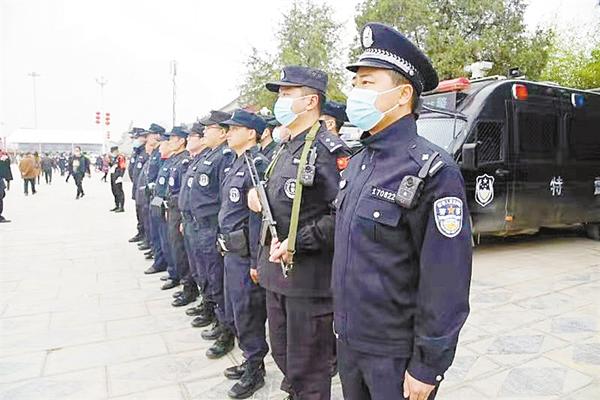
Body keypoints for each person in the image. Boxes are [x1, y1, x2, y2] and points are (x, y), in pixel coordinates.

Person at [332, 23, 473, 400]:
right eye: (355, 83)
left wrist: (428, 366)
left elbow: (446, 281)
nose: (355, 92)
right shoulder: (359, 162)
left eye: (367, 82)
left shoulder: (433, 171)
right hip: (349, 343)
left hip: (394, 355)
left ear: (403, 94)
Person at [250, 65, 350, 400]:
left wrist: (299, 241)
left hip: (308, 282)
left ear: (310, 101)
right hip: (276, 277)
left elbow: (342, 216)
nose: (279, 100)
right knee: (285, 359)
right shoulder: (285, 147)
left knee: (309, 371)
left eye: (286, 93)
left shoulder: (329, 150)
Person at [218, 109, 270, 399]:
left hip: (245, 253)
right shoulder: (237, 163)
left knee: (248, 312)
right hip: (231, 251)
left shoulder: (256, 165)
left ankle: (255, 367)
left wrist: (255, 261)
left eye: (235, 129)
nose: (229, 133)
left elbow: (258, 218)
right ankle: (249, 358)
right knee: (237, 310)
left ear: (251, 133)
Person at [184, 111, 235, 361]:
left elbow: (225, 198)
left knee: (217, 279)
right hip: (200, 225)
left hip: (213, 227)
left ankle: (226, 330)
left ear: (223, 132)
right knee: (206, 275)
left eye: (209, 128)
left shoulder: (224, 157)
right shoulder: (208, 155)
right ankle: (216, 316)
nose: (204, 132)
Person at [173, 122, 209, 306]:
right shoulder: (196, 160)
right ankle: (204, 302)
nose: (188, 140)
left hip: (202, 223)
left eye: (191, 136)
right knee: (195, 265)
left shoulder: (213, 159)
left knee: (206, 269)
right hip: (189, 220)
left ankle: (211, 308)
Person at [162, 126, 191, 291]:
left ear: (181, 141)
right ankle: (180, 279)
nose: (170, 142)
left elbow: (183, 190)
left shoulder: (185, 160)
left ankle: (187, 285)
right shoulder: (175, 160)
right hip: (172, 208)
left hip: (179, 210)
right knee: (174, 246)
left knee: (180, 249)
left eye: (173, 139)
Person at [128, 127, 149, 243]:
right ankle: (140, 232)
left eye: (137, 137)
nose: (135, 140)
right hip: (136, 186)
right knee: (138, 212)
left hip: (142, 188)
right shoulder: (136, 151)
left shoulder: (146, 152)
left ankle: (146, 235)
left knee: (143, 213)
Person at [109, 146, 127, 212]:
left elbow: (123, 167)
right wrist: (109, 162)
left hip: (117, 176)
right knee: (114, 191)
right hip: (113, 175)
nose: (113, 153)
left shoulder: (120, 157)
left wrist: (120, 176)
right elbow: (113, 166)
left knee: (119, 191)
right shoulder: (114, 158)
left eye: (113, 152)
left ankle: (121, 207)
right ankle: (116, 205)